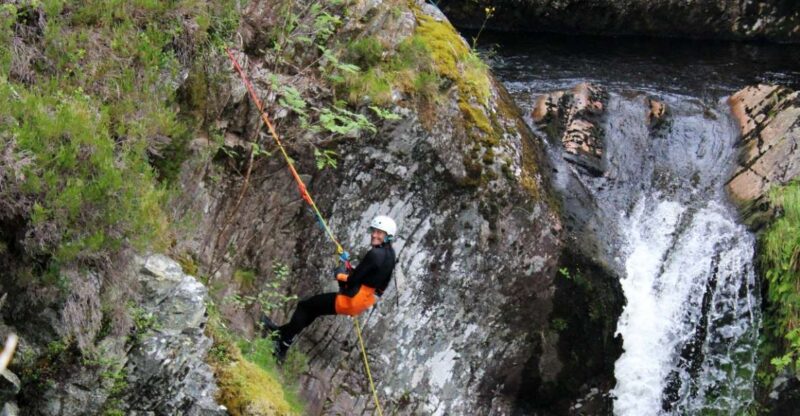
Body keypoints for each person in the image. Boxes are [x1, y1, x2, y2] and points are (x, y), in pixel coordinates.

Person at [262, 215, 398, 360]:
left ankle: (282, 345)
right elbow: (379, 285)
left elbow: (351, 281)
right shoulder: (391, 255)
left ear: (387, 236)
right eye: (374, 231)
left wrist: (339, 274)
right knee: (314, 310)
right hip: (361, 300)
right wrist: (361, 301)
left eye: (379, 233)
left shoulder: (375, 254)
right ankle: (280, 333)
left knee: (304, 307)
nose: (374, 235)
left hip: (351, 298)